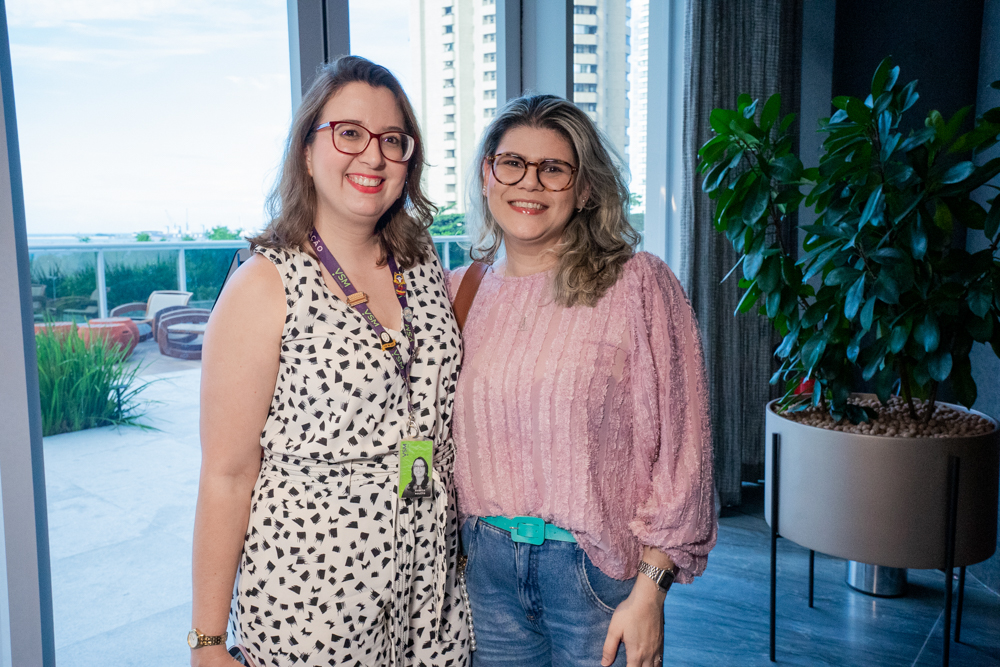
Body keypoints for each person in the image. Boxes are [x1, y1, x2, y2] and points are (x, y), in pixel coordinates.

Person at [190, 56, 470, 667]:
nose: (372, 157)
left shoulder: (422, 267)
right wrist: (208, 643)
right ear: (308, 147)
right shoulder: (265, 284)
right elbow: (227, 475)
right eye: (349, 133)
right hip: (313, 607)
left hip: (431, 596)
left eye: (392, 140)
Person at [448, 94, 717, 667]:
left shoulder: (638, 285)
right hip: (482, 578)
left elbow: (683, 450)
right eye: (512, 163)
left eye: (554, 169)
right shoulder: (455, 292)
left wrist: (651, 591)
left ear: (585, 188)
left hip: (594, 580)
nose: (530, 183)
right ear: (487, 174)